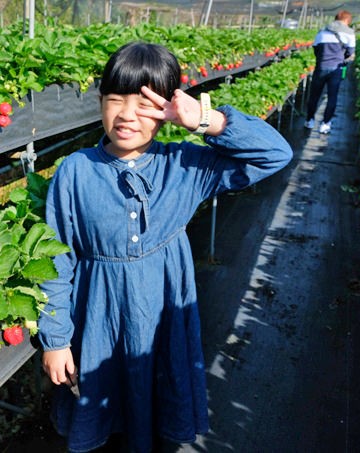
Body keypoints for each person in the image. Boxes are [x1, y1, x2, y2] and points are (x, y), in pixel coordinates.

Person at [36, 41, 293, 453]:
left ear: (168, 107)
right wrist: (56, 339)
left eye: (144, 104)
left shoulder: (186, 165)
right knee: (102, 401)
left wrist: (206, 121)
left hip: (162, 310)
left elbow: (275, 154)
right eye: (115, 100)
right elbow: (55, 257)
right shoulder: (75, 171)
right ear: (100, 101)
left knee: (158, 395)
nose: (126, 115)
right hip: (100, 312)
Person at [304, 10, 356, 134]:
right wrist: (341, 57)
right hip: (336, 69)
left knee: (314, 95)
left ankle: (309, 121)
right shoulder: (349, 33)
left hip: (321, 67)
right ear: (346, 20)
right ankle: (325, 124)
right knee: (332, 97)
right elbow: (350, 52)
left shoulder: (322, 31)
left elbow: (316, 49)